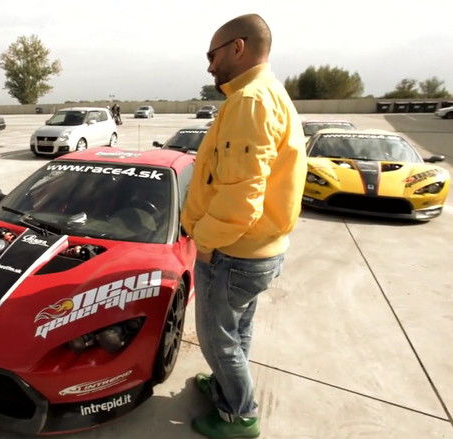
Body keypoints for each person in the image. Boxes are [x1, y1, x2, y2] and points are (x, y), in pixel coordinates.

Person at [180, 14, 306, 438]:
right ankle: (227, 388)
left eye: (212, 55)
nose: (209, 66)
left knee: (217, 339)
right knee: (237, 331)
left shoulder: (250, 101)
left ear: (237, 47)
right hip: (257, 249)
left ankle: (239, 414)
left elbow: (241, 196)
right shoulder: (267, 93)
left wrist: (203, 241)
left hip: (233, 252)